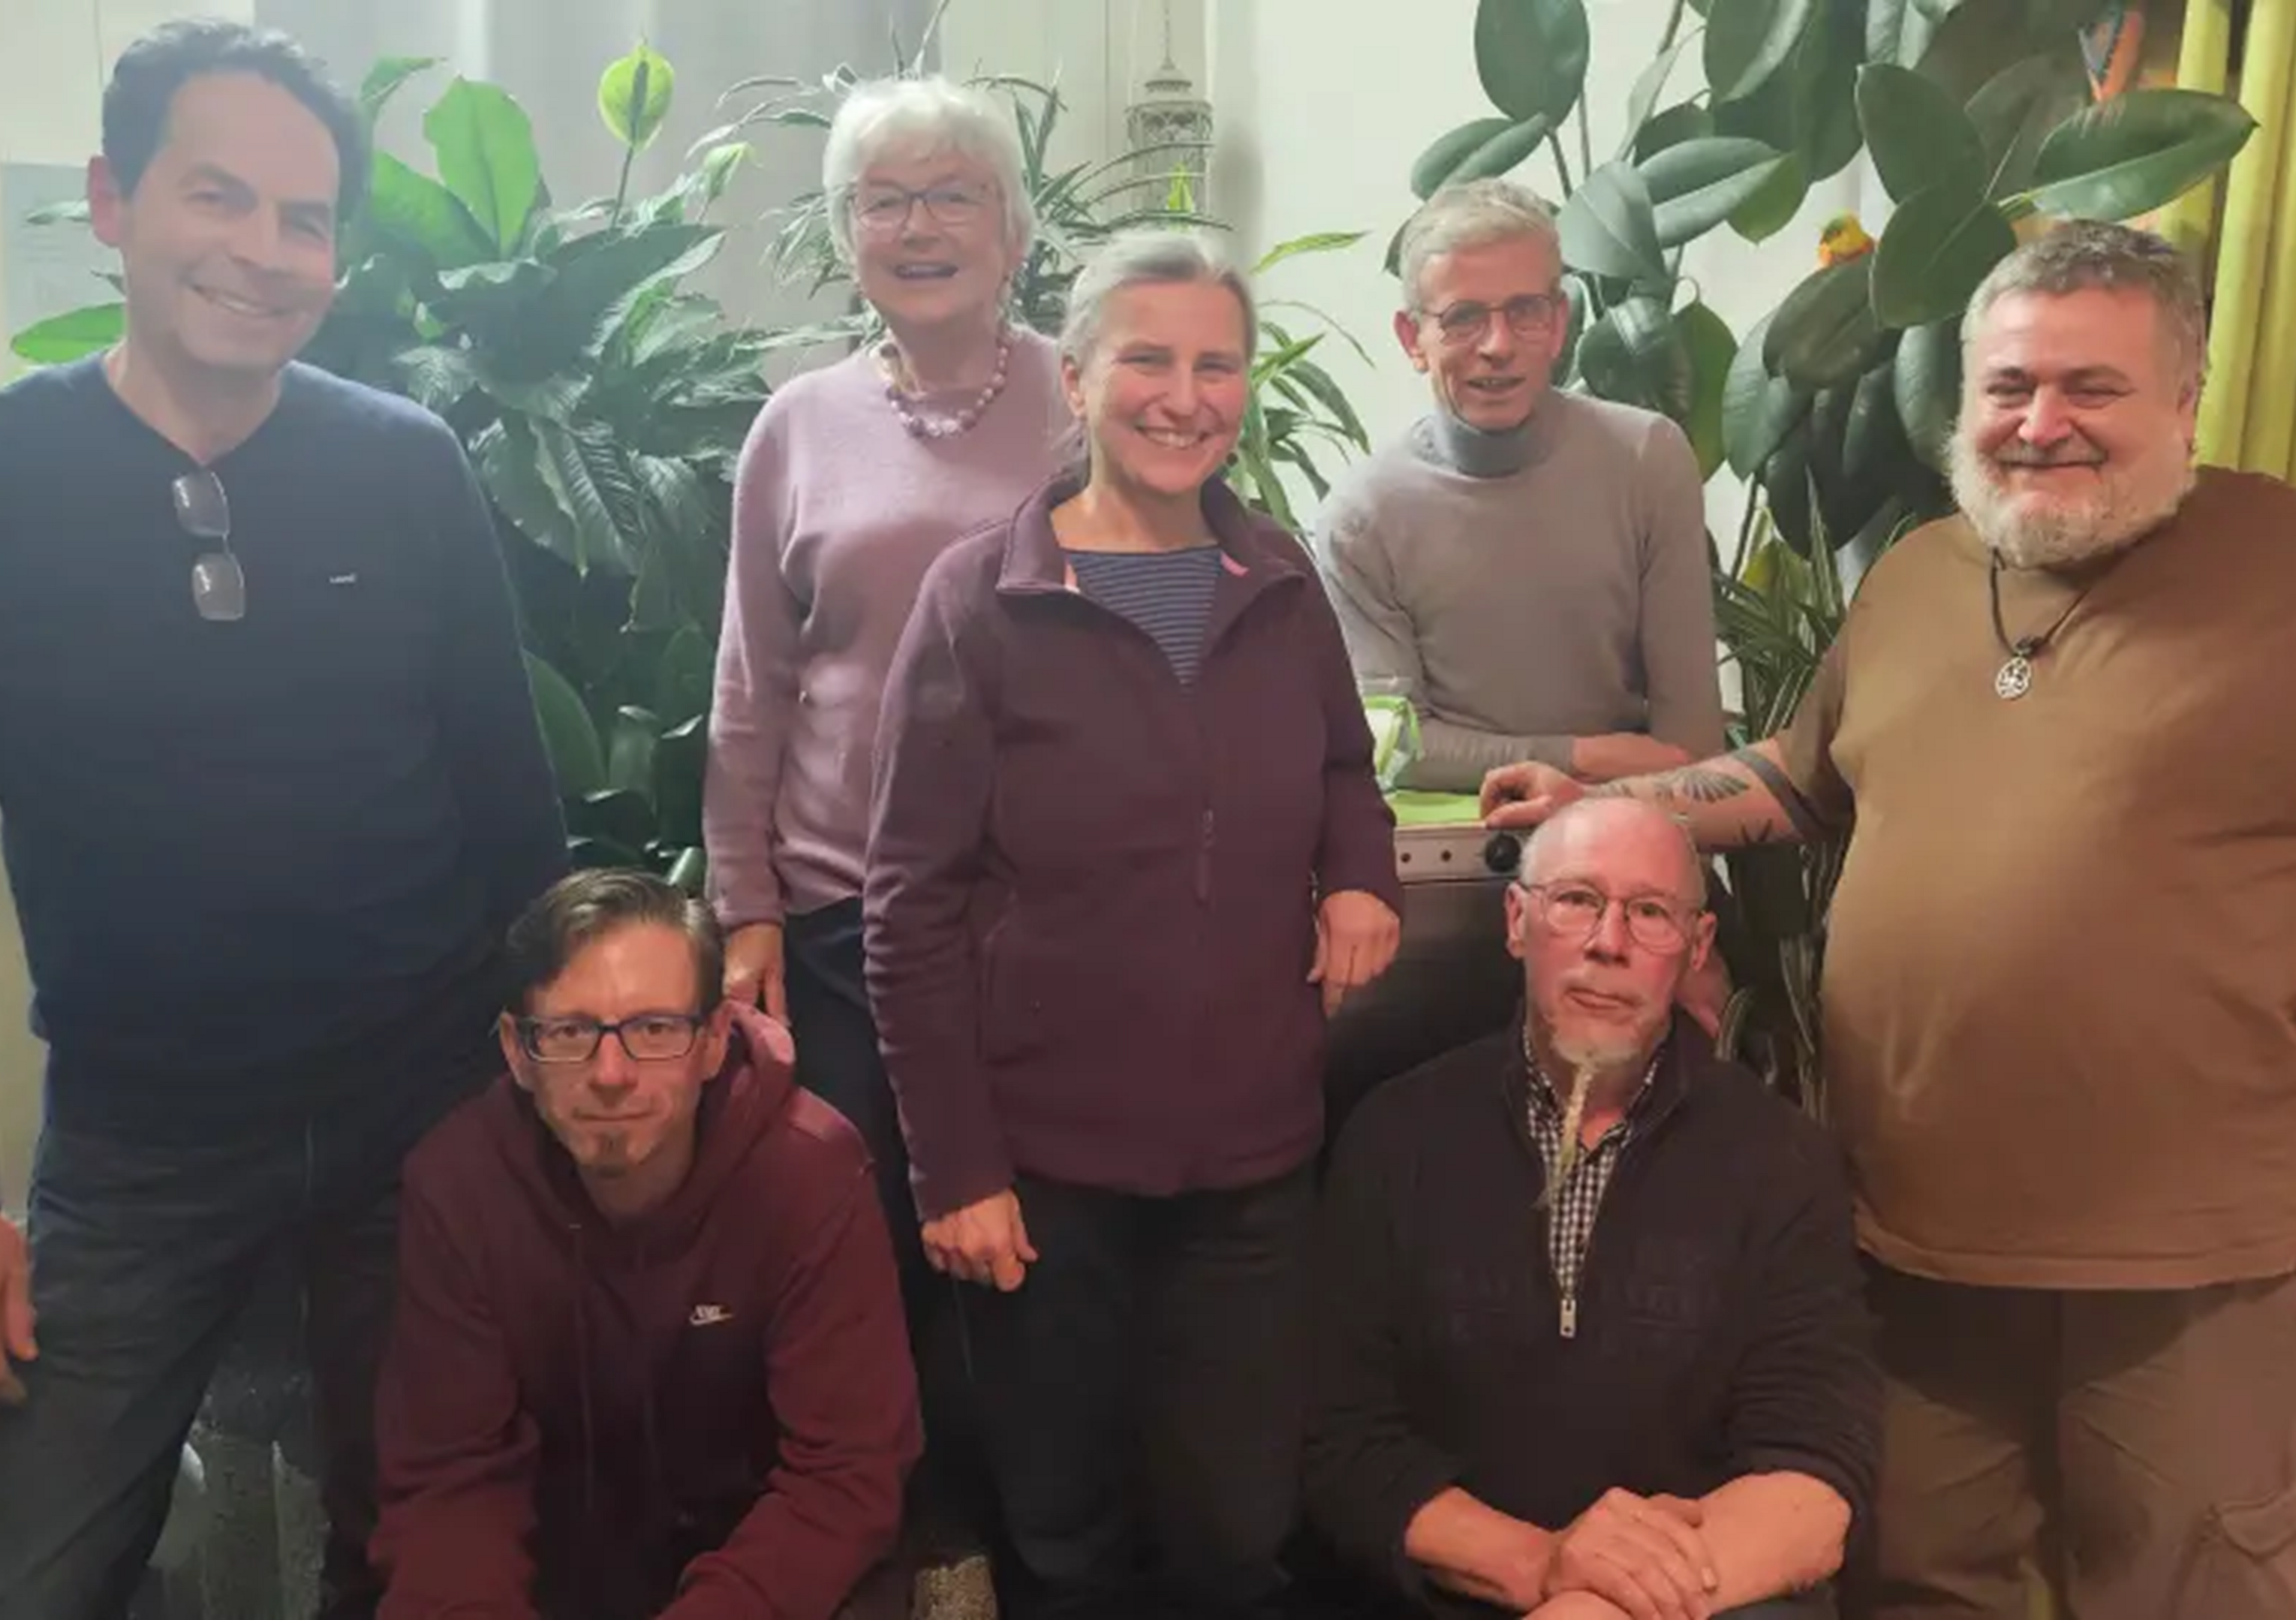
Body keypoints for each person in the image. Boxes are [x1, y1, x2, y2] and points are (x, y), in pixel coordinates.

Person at [1482, 221, 2296, 1619]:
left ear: (2185, 395)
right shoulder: (1924, 568)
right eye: (2009, 387)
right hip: (1910, 1231)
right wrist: (1603, 807)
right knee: (1932, 1588)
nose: (2042, 424)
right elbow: (1795, 783)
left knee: (2184, 1596)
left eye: (2092, 388)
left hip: (2194, 1257)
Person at [0, 23, 569, 1618]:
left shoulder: (407, 466)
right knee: (29, 1571)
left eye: (305, 218)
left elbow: (513, 816)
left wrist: (534, 1100)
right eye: (218, 196)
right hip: (140, 1142)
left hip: (412, 1118)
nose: (266, 252)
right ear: (110, 199)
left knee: (421, 1553)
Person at [864, 229, 1404, 1619]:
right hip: (1046, 1179)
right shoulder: (981, 601)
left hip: (1253, 1165)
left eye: (1216, 362)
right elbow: (908, 908)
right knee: (1070, 1542)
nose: (1185, 395)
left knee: (1236, 1533)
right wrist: (955, 1171)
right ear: (1082, 376)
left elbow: (1348, 769)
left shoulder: (1278, 580)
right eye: (1147, 359)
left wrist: (1359, 874)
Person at [702, 77, 1072, 1598]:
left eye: (951, 194)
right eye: (884, 200)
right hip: (846, 920)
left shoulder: (1088, 398)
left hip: (1043, 916)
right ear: (848, 234)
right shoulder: (798, 424)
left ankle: (1037, 1540)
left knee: (1036, 1246)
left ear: (1015, 224)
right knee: (865, 1253)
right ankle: (915, 1543)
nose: (919, 226)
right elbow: (750, 684)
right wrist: (747, 913)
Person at [1304, 798, 1875, 1620]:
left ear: (1696, 947)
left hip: (1702, 1601)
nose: (1608, 942)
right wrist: (1543, 1566)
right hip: (1462, 1591)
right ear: (1516, 920)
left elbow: (1818, 1477)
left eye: (1649, 913)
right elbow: (1341, 1443)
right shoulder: (1396, 1137)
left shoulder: (1780, 1158)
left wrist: (1598, 1607)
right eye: (1576, 900)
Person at [370, 869, 918, 1620]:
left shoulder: (812, 1171)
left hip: (776, 1581)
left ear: (715, 1039)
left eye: (654, 1029)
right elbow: (449, 1478)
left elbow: (845, 1471)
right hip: (546, 1583)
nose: (611, 1074)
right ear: (517, 1050)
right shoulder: (456, 1186)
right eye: (569, 1032)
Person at [1314, 178, 1723, 797]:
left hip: (1630, 842)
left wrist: (1577, 779)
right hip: (1447, 856)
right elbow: (1399, 751)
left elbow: (1692, 746)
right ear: (1412, 339)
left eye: (1525, 313)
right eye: (1463, 318)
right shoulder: (1363, 517)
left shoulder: (1647, 460)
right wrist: (1585, 753)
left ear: (1559, 323)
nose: (1498, 346)